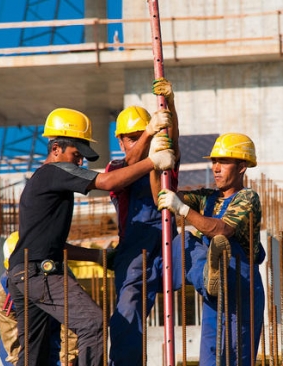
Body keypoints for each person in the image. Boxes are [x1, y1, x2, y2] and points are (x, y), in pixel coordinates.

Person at [7, 107, 175, 366]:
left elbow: (49, 244)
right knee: (93, 323)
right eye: (76, 155)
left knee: (34, 356)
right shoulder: (55, 172)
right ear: (56, 149)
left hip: (23, 274)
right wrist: (153, 161)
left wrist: (97, 256)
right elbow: (109, 181)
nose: (79, 163)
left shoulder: (44, 184)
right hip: (40, 274)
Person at [156, 132, 266, 366]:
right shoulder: (207, 198)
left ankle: (208, 275)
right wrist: (156, 164)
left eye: (223, 162)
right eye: (214, 162)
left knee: (234, 357)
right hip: (214, 292)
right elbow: (161, 195)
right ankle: (206, 277)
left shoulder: (247, 198)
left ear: (242, 167)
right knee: (210, 357)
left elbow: (222, 230)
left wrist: (183, 210)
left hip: (240, 288)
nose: (216, 167)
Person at [106, 78, 180, 365]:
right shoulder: (116, 169)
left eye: (142, 134)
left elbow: (174, 140)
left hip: (169, 242)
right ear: (121, 140)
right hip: (135, 253)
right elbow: (129, 165)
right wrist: (150, 133)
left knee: (201, 255)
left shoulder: (164, 160)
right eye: (133, 137)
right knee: (128, 308)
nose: (139, 141)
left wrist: (170, 106)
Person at [0, 231, 78, 366]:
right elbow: (10, 335)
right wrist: (19, 362)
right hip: (23, 336)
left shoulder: (60, 277)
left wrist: (68, 357)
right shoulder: (2, 291)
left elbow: (72, 321)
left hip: (55, 332)